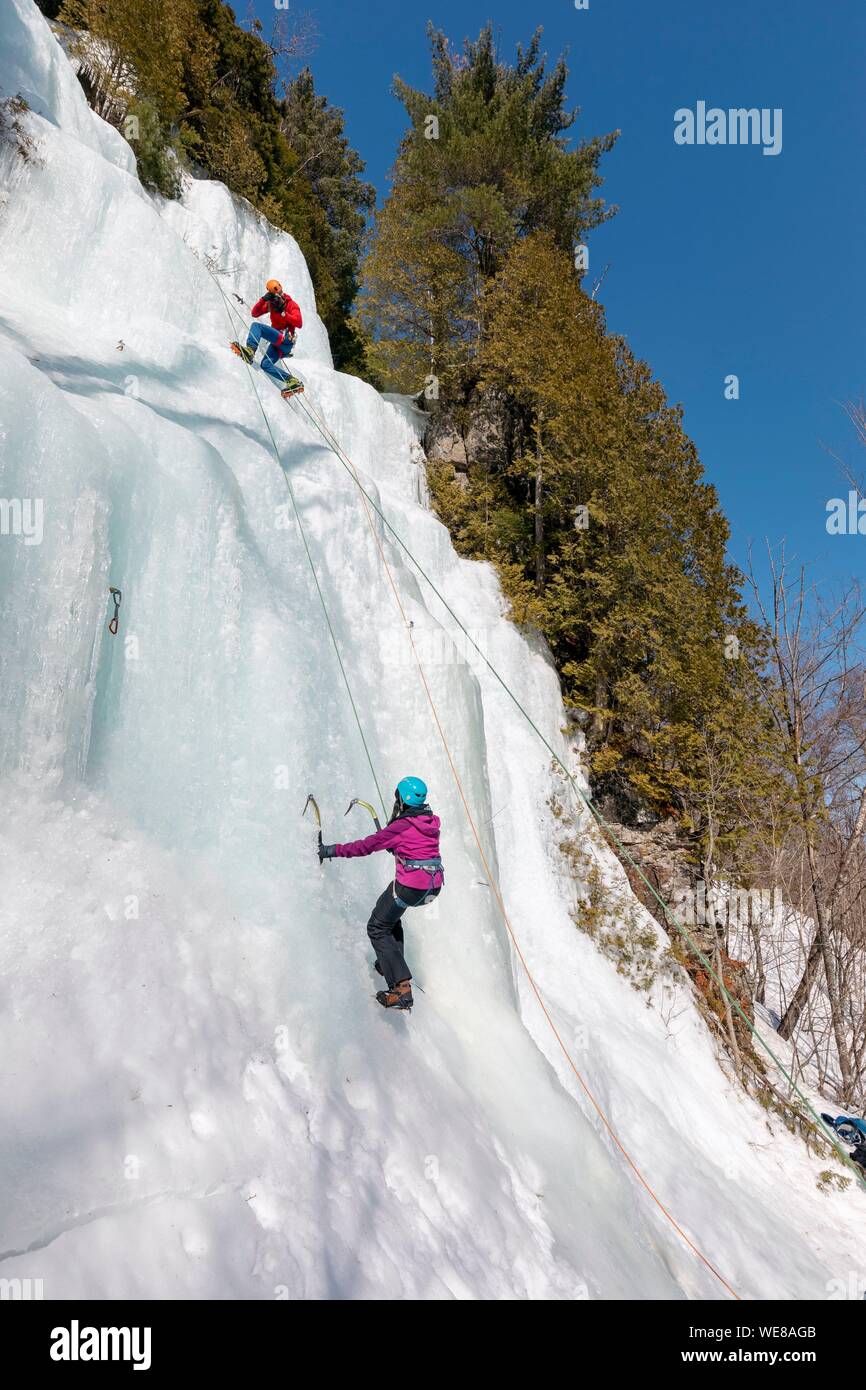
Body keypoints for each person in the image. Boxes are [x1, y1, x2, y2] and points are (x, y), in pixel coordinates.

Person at [318, 776, 444, 1010]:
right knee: (388, 916)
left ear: (402, 798)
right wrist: (394, 843)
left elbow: (365, 847)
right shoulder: (431, 821)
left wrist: (331, 850)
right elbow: (414, 847)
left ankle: (401, 989)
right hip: (432, 887)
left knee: (376, 927)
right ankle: (388, 964)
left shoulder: (401, 826)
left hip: (411, 886)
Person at [230, 279, 304, 398]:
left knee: (256, 326)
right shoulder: (271, 304)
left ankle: (250, 350)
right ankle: (292, 381)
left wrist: (284, 313)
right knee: (265, 365)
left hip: (285, 338)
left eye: (280, 294)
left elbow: (299, 323)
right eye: (276, 295)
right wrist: (263, 299)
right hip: (279, 344)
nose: (279, 297)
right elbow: (254, 313)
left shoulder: (291, 304)